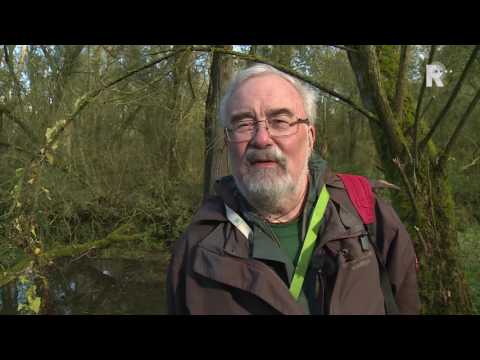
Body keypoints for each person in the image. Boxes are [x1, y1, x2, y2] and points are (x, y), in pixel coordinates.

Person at [166, 63, 420, 315]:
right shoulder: (196, 250)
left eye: (280, 121)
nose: (262, 139)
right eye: (244, 124)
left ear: (310, 137)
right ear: (227, 142)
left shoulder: (368, 215)